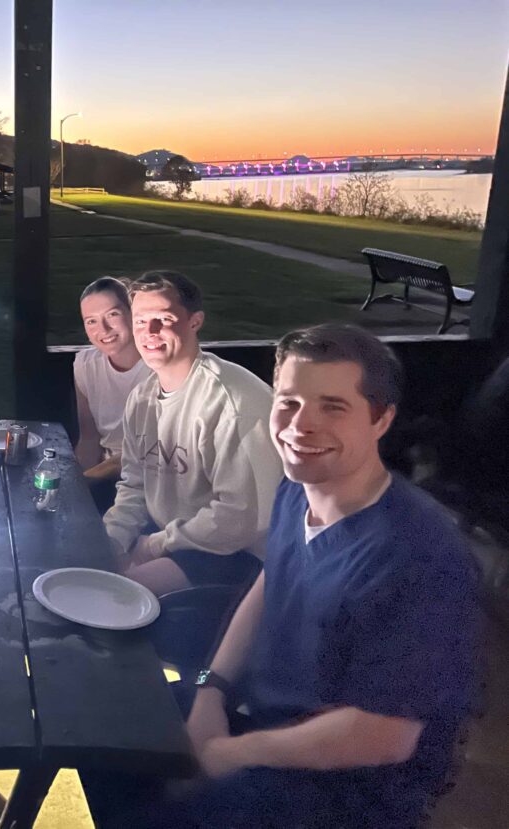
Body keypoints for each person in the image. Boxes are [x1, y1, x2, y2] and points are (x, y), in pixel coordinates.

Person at [152, 323, 480, 828]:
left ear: (381, 419)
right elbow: (270, 584)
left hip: (343, 786)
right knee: (110, 732)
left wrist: (231, 755)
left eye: (333, 406)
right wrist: (209, 689)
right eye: (289, 403)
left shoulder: (421, 557)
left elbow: (383, 736)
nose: (301, 426)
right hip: (258, 716)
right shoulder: (297, 489)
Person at [103, 270, 283, 596]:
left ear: (195, 321)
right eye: (142, 321)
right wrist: (111, 541)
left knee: (119, 595)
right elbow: (134, 485)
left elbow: (240, 517)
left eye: (165, 318)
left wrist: (154, 546)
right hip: (175, 538)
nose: (151, 331)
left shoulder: (230, 402)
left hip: (241, 555)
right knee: (93, 574)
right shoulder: (142, 399)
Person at [73, 276, 151, 511]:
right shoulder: (85, 363)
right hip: (104, 477)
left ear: (133, 313)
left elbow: (145, 455)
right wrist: (74, 488)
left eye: (112, 315)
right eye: (91, 321)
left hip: (152, 480)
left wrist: (82, 482)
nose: (103, 329)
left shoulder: (159, 367)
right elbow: (89, 440)